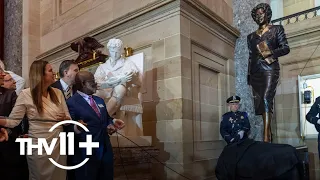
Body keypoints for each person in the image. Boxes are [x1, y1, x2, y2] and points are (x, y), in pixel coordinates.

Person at [0, 60, 71, 180]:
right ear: (40, 75)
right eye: (50, 71)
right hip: (38, 146)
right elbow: (13, 121)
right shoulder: (25, 94)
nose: (54, 73)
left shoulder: (58, 93)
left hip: (58, 144)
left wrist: (65, 118)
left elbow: (68, 117)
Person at [67, 71, 125, 180]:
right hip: (86, 152)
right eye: (92, 81)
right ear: (83, 84)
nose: (95, 83)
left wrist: (112, 122)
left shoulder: (99, 100)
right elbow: (68, 127)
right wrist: (77, 127)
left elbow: (105, 119)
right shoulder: (71, 102)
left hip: (105, 150)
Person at [247, 3, 290, 142]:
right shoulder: (251, 36)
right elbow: (250, 56)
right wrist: (248, 74)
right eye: (257, 14)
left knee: (266, 98)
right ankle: (269, 135)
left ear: (267, 14)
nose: (259, 16)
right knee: (260, 102)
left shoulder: (277, 29)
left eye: (262, 13)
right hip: (255, 72)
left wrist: (270, 53)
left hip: (270, 68)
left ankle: (265, 137)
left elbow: (285, 48)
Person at [0, 72, 29, 179]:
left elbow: (17, 120)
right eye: (0, 71)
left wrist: (7, 131)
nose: (2, 74)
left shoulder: (10, 94)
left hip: (8, 147)